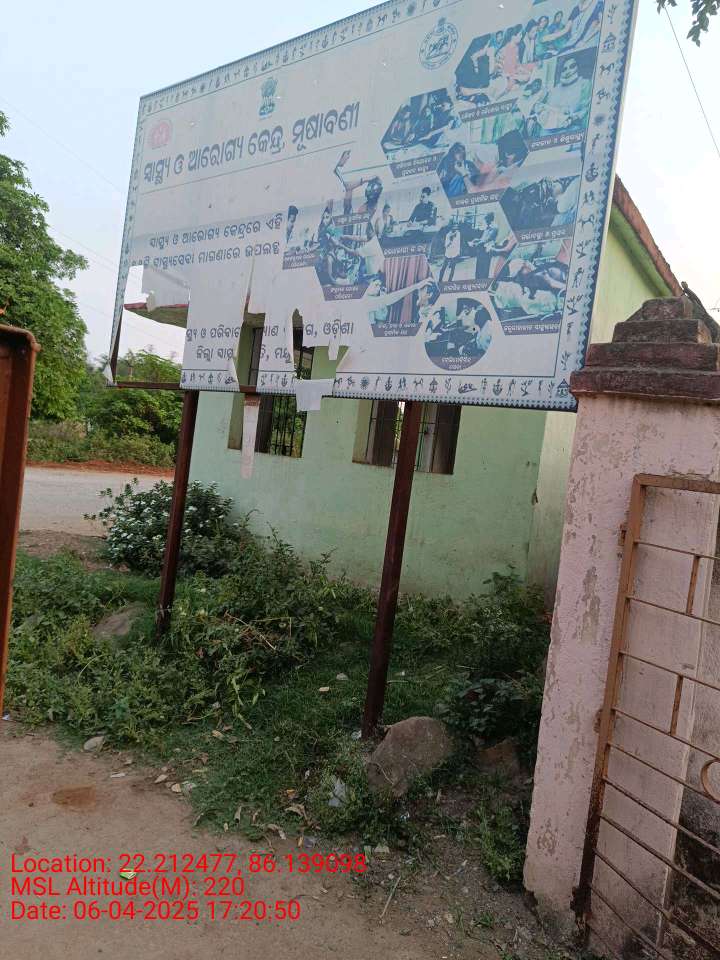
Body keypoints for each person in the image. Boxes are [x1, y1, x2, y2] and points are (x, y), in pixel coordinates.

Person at [535, 56, 591, 134]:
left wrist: (572, 118)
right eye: (564, 69)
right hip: (549, 131)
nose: (568, 71)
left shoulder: (584, 83)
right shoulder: (554, 90)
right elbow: (547, 110)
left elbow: (586, 109)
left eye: (572, 66)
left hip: (572, 131)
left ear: (577, 67)